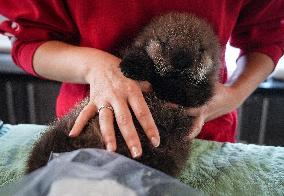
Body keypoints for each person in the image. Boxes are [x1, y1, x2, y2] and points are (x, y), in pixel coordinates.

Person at [0, 1, 283, 158]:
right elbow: (31, 40)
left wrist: (234, 94)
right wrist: (96, 66)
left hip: (202, 135)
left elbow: (267, 35)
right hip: (88, 132)